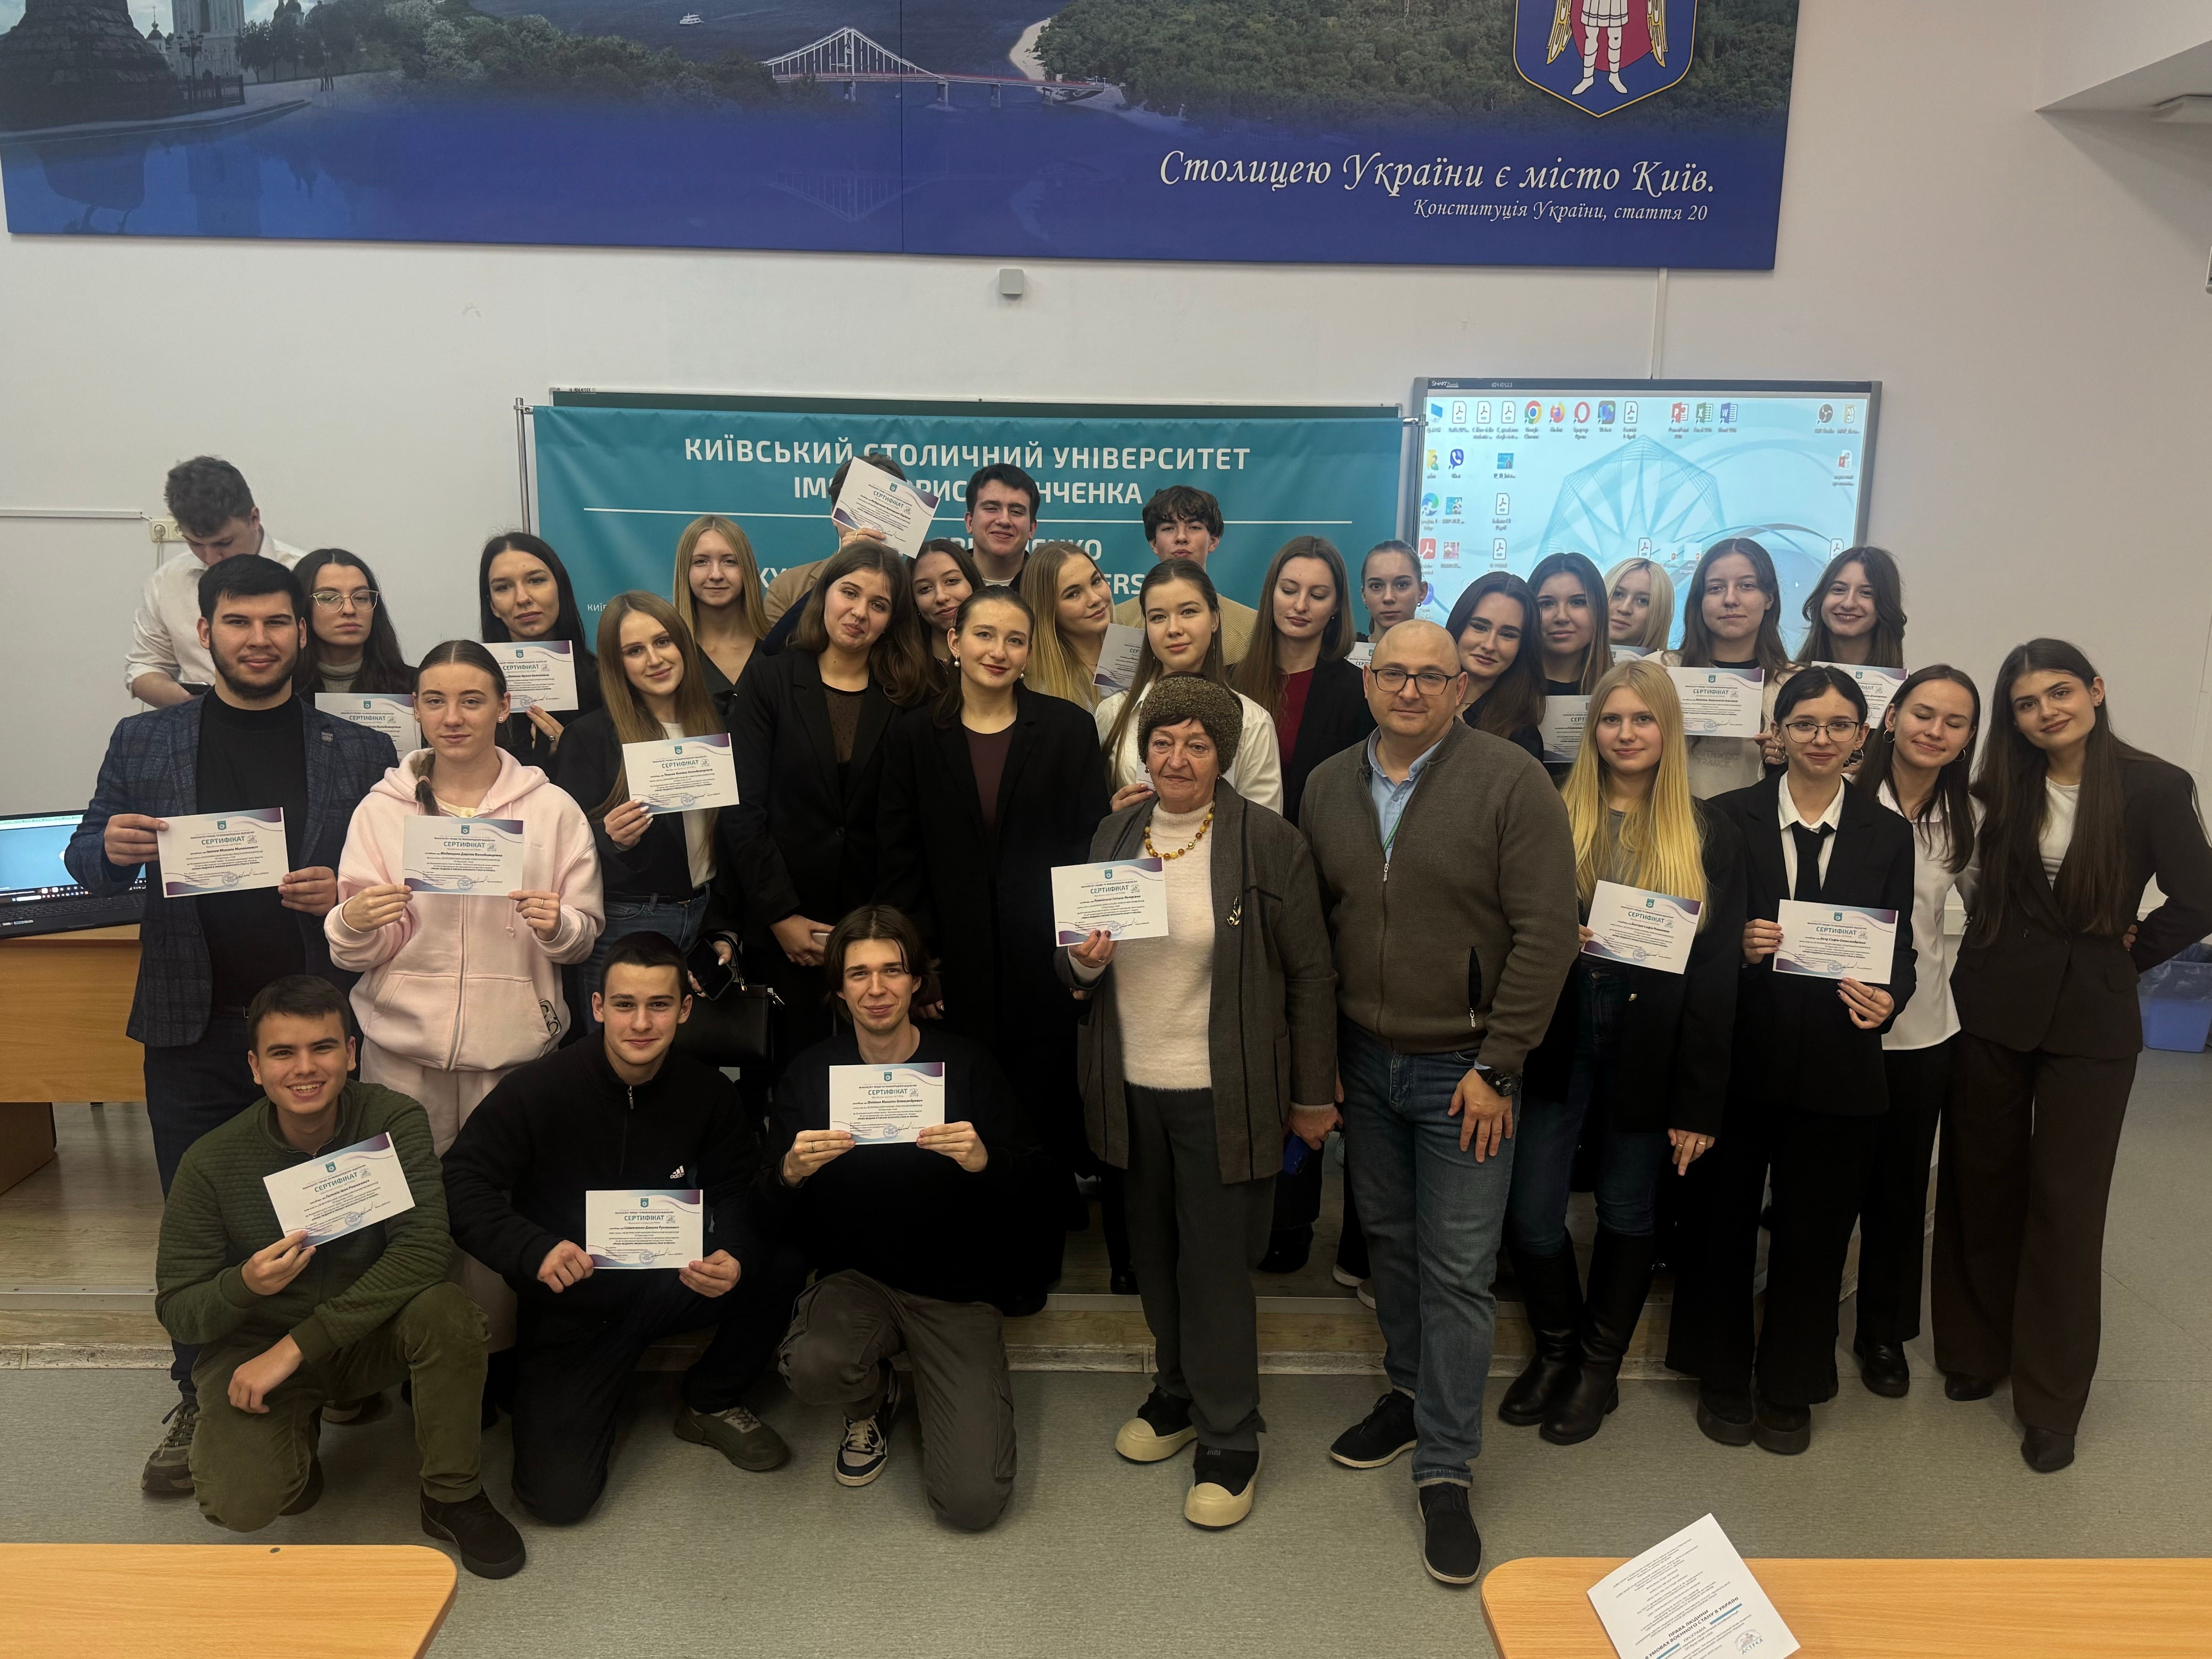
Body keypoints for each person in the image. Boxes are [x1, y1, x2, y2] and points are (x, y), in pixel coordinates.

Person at [67, 553, 394, 1495]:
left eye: (276, 622)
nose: (259, 639)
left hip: (321, 1029)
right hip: (194, 1026)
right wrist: (112, 848)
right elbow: (87, 857)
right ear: (204, 632)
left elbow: (384, 886)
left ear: (303, 633)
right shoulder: (145, 741)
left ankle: (327, 1371)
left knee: (335, 1207)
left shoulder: (357, 750)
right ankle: (196, 1390)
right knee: (201, 1221)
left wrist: (344, 891)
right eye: (239, 623)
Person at [1302, 621, 1578, 1587]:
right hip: (1365, 1062)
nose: (1410, 690)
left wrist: (1499, 1067)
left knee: (1459, 1272)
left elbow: (1549, 934)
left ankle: (1447, 1468)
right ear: (1368, 682)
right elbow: (1317, 934)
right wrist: (1324, 1059)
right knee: (1389, 1245)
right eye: (1393, 673)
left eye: (1431, 676)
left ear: (1462, 687)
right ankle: (1411, 1394)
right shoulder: (1327, 784)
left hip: (1467, 1074)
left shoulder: (1511, 782)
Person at [1061, 677, 1337, 1528]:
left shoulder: (1270, 843)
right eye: (1163, 741)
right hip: (1129, 1087)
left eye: (1197, 743)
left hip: (1225, 1092)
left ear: (1224, 756)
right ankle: (1177, 1394)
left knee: (1214, 1272)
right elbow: (1071, 961)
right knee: (1152, 1257)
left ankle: (1230, 1433)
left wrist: (1311, 1095)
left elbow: (1311, 978)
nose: (1176, 759)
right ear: (1142, 749)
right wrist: (1083, 964)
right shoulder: (1113, 832)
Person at [1936, 640, 2212, 1473]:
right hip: (1992, 1005)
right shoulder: (1996, 786)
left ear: (2095, 690)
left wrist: (2127, 952)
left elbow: (2200, 895)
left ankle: (2051, 1400)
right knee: (1981, 1181)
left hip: (2093, 1020)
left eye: (2059, 692)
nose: (2045, 711)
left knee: (2066, 1203)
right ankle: (1974, 1351)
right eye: (2025, 703)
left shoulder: (2155, 784)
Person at [153, 975, 524, 1577]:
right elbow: (177, 1308)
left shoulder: (392, 1120)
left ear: (351, 1054)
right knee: (241, 1505)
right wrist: (244, 1285)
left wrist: (297, 1348)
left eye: (323, 1047)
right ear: (255, 1067)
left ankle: (452, 1496)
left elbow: (426, 1250)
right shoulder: (211, 1162)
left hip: (364, 1334)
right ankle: (296, 1450)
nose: (305, 1068)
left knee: (449, 1314)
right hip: (258, 1344)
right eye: (283, 1053)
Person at [441, 932, 807, 1524]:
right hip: (574, 1307)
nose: (641, 1023)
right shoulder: (538, 1089)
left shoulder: (710, 1094)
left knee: (780, 1260)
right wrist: (532, 1249)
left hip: (675, 1282)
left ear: (684, 1009)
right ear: (597, 1007)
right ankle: (585, 1394)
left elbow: (738, 1188)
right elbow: (461, 1182)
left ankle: (710, 1397)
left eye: (659, 1005)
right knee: (557, 1501)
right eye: (625, 1005)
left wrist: (735, 1251)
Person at [1668, 667, 1915, 1457]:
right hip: (1741, 1055)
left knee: (1815, 1232)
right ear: (1776, 733)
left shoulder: (1887, 832)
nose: (1820, 738)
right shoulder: (1724, 817)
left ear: (1862, 737)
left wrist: (1889, 998)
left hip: (1839, 1060)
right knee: (1721, 1223)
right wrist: (1736, 945)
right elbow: (1693, 938)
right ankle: (1720, 1370)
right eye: (1804, 723)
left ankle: (1791, 1380)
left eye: (1839, 725)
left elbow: (1899, 948)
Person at [1498, 659, 1742, 1446]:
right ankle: (1558, 1348)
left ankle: (1596, 1369)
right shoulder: (1546, 806)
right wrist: (1550, 935)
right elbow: (1498, 914)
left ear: (1668, 729)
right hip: (1561, 1027)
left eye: (1643, 719)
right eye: (1612, 718)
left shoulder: (1709, 831)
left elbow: (1716, 980)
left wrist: (1699, 1104)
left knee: (1628, 1207)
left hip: (1651, 1042)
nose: (1626, 733)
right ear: (1592, 727)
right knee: (1532, 1210)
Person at [768, 906, 1053, 1532]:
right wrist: (789, 1171)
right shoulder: (811, 1074)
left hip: (956, 1290)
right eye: (859, 973)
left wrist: (985, 1161)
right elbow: (765, 1204)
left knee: (971, 1504)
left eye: (892, 970)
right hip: (857, 1281)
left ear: (916, 981)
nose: (877, 988)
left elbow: (1036, 1183)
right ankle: (872, 1400)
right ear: (839, 988)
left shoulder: (967, 1065)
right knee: (814, 1365)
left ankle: (940, 1383)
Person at [878, 586, 1112, 1276]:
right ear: (954, 641)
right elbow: (898, 857)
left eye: (1015, 638)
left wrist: (1078, 961)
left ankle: (1035, 1256)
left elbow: (1087, 844)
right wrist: (921, 966)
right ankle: (971, 1253)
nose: (998, 651)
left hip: (1046, 964)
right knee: (964, 1110)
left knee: (1040, 1107)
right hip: (952, 968)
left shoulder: (1068, 729)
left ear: (1030, 651)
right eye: (984, 634)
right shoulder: (913, 734)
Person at [725, 540, 935, 1061]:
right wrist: (781, 916)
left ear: (892, 619)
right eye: (850, 593)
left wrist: (883, 929)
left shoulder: (911, 695)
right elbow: (742, 809)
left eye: (879, 604)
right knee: (792, 1075)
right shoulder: (770, 678)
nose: (860, 612)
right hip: (785, 928)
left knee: (877, 1073)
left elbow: (915, 825)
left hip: (879, 933)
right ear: (823, 595)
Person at [1848, 665, 1980, 1398]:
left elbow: (1994, 908)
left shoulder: (1970, 820)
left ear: (1967, 739)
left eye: (1954, 722)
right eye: (1923, 713)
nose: (1935, 730)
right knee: (1828, 1184)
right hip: (1834, 1026)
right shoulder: (1839, 791)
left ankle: (1882, 1332)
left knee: (1899, 1195)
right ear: (1892, 716)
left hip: (1922, 1030)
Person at [553, 592, 738, 1028]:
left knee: (686, 1059)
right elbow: (563, 847)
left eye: (663, 642)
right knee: (617, 1056)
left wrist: (726, 927)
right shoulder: (589, 737)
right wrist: (609, 838)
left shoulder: (721, 726)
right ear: (616, 665)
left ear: (684, 646)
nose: (654, 659)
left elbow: (733, 837)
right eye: (635, 651)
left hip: (703, 920)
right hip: (625, 922)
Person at [1096, 559, 1283, 814]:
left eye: (1188, 612)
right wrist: (1112, 818)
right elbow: (1091, 819)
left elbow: (1265, 829)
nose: (1174, 629)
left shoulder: (1252, 721)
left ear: (1215, 619)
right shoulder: (1113, 713)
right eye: (1159, 617)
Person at [128, 456, 304, 706]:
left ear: (254, 519)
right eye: (196, 544)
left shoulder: (307, 574)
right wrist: (192, 705)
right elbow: (145, 666)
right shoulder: (167, 582)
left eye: (224, 543)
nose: (211, 559)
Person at [1231, 536, 1374, 828]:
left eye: (1318, 596)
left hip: (1317, 848)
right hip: (1234, 844)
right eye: (1289, 591)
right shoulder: (1228, 682)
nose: (1300, 605)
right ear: (1271, 593)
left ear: (1336, 606)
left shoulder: (1359, 692)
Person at [1664, 538, 1790, 799]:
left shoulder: (1795, 684)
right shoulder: (1661, 670)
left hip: (1758, 820)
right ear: (1700, 600)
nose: (1730, 599)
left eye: (1747, 586)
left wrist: (1786, 762)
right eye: (1716, 588)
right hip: (1672, 818)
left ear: (1769, 598)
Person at [478, 532, 602, 771]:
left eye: (536, 581)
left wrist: (573, 752)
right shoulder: (475, 684)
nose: (523, 598)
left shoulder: (604, 680)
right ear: (492, 605)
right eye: (503, 587)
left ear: (560, 588)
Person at [762, 452, 909, 628]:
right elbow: (777, 645)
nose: (870, 525)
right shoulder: (787, 587)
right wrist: (836, 574)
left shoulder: (915, 590)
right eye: (861, 508)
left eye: (884, 511)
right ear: (834, 515)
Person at [1113, 486, 1256, 661]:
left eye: (1194, 527)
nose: (1181, 537)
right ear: (1154, 544)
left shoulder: (1250, 627)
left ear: (1213, 541)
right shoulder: (1121, 621)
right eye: (1168, 528)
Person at [671, 514, 770, 717]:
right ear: (685, 571)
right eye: (701, 562)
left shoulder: (779, 650)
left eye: (730, 561)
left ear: (748, 570)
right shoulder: (669, 655)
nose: (716, 575)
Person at [1446, 572, 1544, 761]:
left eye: (1508, 635)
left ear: (1523, 647)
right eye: (1480, 627)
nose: (1490, 645)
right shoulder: (1418, 696)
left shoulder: (1522, 737)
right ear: (1459, 624)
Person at [293, 548, 412, 697]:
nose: (349, 610)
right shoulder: (282, 690)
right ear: (303, 606)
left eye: (361, 598)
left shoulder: (417, 688)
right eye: (329, 598)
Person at [1019, 541, 1116, 708]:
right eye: (1073, 594)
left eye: (1096, 582)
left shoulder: (1140, 650)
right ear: (1047, 610)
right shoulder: (1044, 692)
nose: (1095, 599)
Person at [1797, 545, 1906, 669]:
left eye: (1866, 593)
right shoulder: (1789, 679)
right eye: (1839, 590)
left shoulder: (1906, 683)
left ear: (1887, 606)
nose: (1848, 604)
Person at [1527, 551, 1614, 697]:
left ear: (1599, 610)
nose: (1562, 617)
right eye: (1547, 604)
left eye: (1578, 602)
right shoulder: (1499, 689)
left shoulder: (1622, 690)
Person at [964, 462, 1041, 587]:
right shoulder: (941, 587)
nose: (1004, 521)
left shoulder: (1052, 588)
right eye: (991, 509)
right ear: (970, 522)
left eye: (1017, 512)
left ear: (1032, 529)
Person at [911, 539, 983, 670]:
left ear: (972, 583)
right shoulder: (895, 669)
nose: (941, 597)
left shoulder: (1001, 657)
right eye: (925, 588)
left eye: (952, 581)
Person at [1604, 556, 1674, 656]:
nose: (1624, 609)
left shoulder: (1674, 665)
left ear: (1659, 614)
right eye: (1618, 594)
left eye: (1642, 601)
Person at [1358, 540, 1429, 640]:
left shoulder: (1441, 649)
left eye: (1402, 585)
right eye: (1376, 586)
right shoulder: (1346, 649)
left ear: (1422, 591)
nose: (1388, 598)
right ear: (1364, 595)